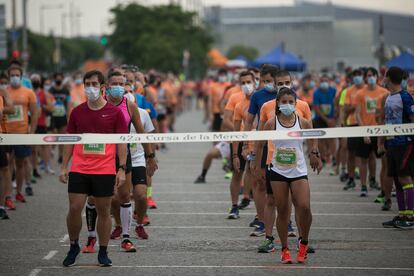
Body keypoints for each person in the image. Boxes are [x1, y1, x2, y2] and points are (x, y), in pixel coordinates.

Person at [59, 70, 129, 267]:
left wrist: (121, 168)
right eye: (87, 84)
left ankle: (103, 251)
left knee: (104, 211)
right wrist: (64, 166)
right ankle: (73, 245)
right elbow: (69, 141)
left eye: (94, 84)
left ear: (102, 87)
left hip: (104, 169)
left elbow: (122, 142)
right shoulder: (77, 111)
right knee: (74, 208)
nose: (90, 88)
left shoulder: (115, 113)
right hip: (79, 168)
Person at [255, 88, 322, 264]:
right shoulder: (271, 123)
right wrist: (258, 166)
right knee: (283, 210)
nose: (287, 105)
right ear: (278, 103)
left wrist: (315, 153)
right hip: (278, 171)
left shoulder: (303, 122)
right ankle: (284, 249)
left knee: (304, 207)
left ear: (296, 103)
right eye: (283, 102)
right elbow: (260, 143)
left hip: (298, 171)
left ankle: (303, 243)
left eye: (290, 102)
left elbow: (314, 137)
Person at [379, 67, 414, 229]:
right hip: (391, 143)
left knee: (405, 178)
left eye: (384, 76)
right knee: (396, 180)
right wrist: (382, 141)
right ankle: (402, 214)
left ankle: (410, 216)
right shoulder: (388, 97)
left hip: (404, 144)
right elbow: (386, 121)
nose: (382, 79)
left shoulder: (405, 96)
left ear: (389, 78)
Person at [6, 62, 38, 201]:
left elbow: (35, 113)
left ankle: (19, 191)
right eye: (12, 75)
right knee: (6, 165)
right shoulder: (4, 92)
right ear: (8, 77)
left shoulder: (28, 92)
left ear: (21, 76)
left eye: (17, 75)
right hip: (5, 134)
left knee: (20, 163)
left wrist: (31, 133)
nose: (14, 77)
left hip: (22, 133)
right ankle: (7, 194)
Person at [354, 67, 386, 197]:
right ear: (366, 78)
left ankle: (380, 185)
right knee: (364, 159)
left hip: (380, 131)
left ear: (377, 77)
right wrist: (364, 132)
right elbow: (357, 114)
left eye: (373, 75)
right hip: (366, 130)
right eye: (368, 75)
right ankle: (363, 186)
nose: (370, 77)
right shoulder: (360, 93)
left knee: (382, 160)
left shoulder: (384, 92)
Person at [343, 69, 365, 190]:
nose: (357, 77)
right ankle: (351, 178)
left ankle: (369, 180)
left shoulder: (367, 90)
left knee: (368, 155)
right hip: (352, 124)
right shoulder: (349, 91)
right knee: (351, 152)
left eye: (359, 75)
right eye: (355, 76)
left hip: (367, 126)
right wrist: (355, 105)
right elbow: (346, 109)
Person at [312, 75, 337, 173]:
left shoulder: (333, 91)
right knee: (321, 139)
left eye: (326, 81)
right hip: (320, 118)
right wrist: (326, 120)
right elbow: (316, 108)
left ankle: (334, 157)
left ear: (329, 81)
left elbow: (336, 104)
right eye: (322, 81)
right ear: (319, 82)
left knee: (332, 138)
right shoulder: (316, 93)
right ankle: (322, 157)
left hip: (331, 118)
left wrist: (334, 117)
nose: (324, 83)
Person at [0, 72, 15, 219]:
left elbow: (12, 109)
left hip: (5, 134)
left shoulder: (3, 93)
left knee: (6, 167)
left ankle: (4, 202)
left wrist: (2, 108)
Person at [49, 72, 70, 164]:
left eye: (60, 78)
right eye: (57, 78)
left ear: (62, 79)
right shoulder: (51, 90)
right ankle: (51, 151)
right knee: (53, 137)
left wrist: (69, 115)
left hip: (62, 116)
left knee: (62, 137)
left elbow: (68, 103)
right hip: (53, 116)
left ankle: (61, 155)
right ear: (54, 79)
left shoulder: (66, 91)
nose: (58, 80)